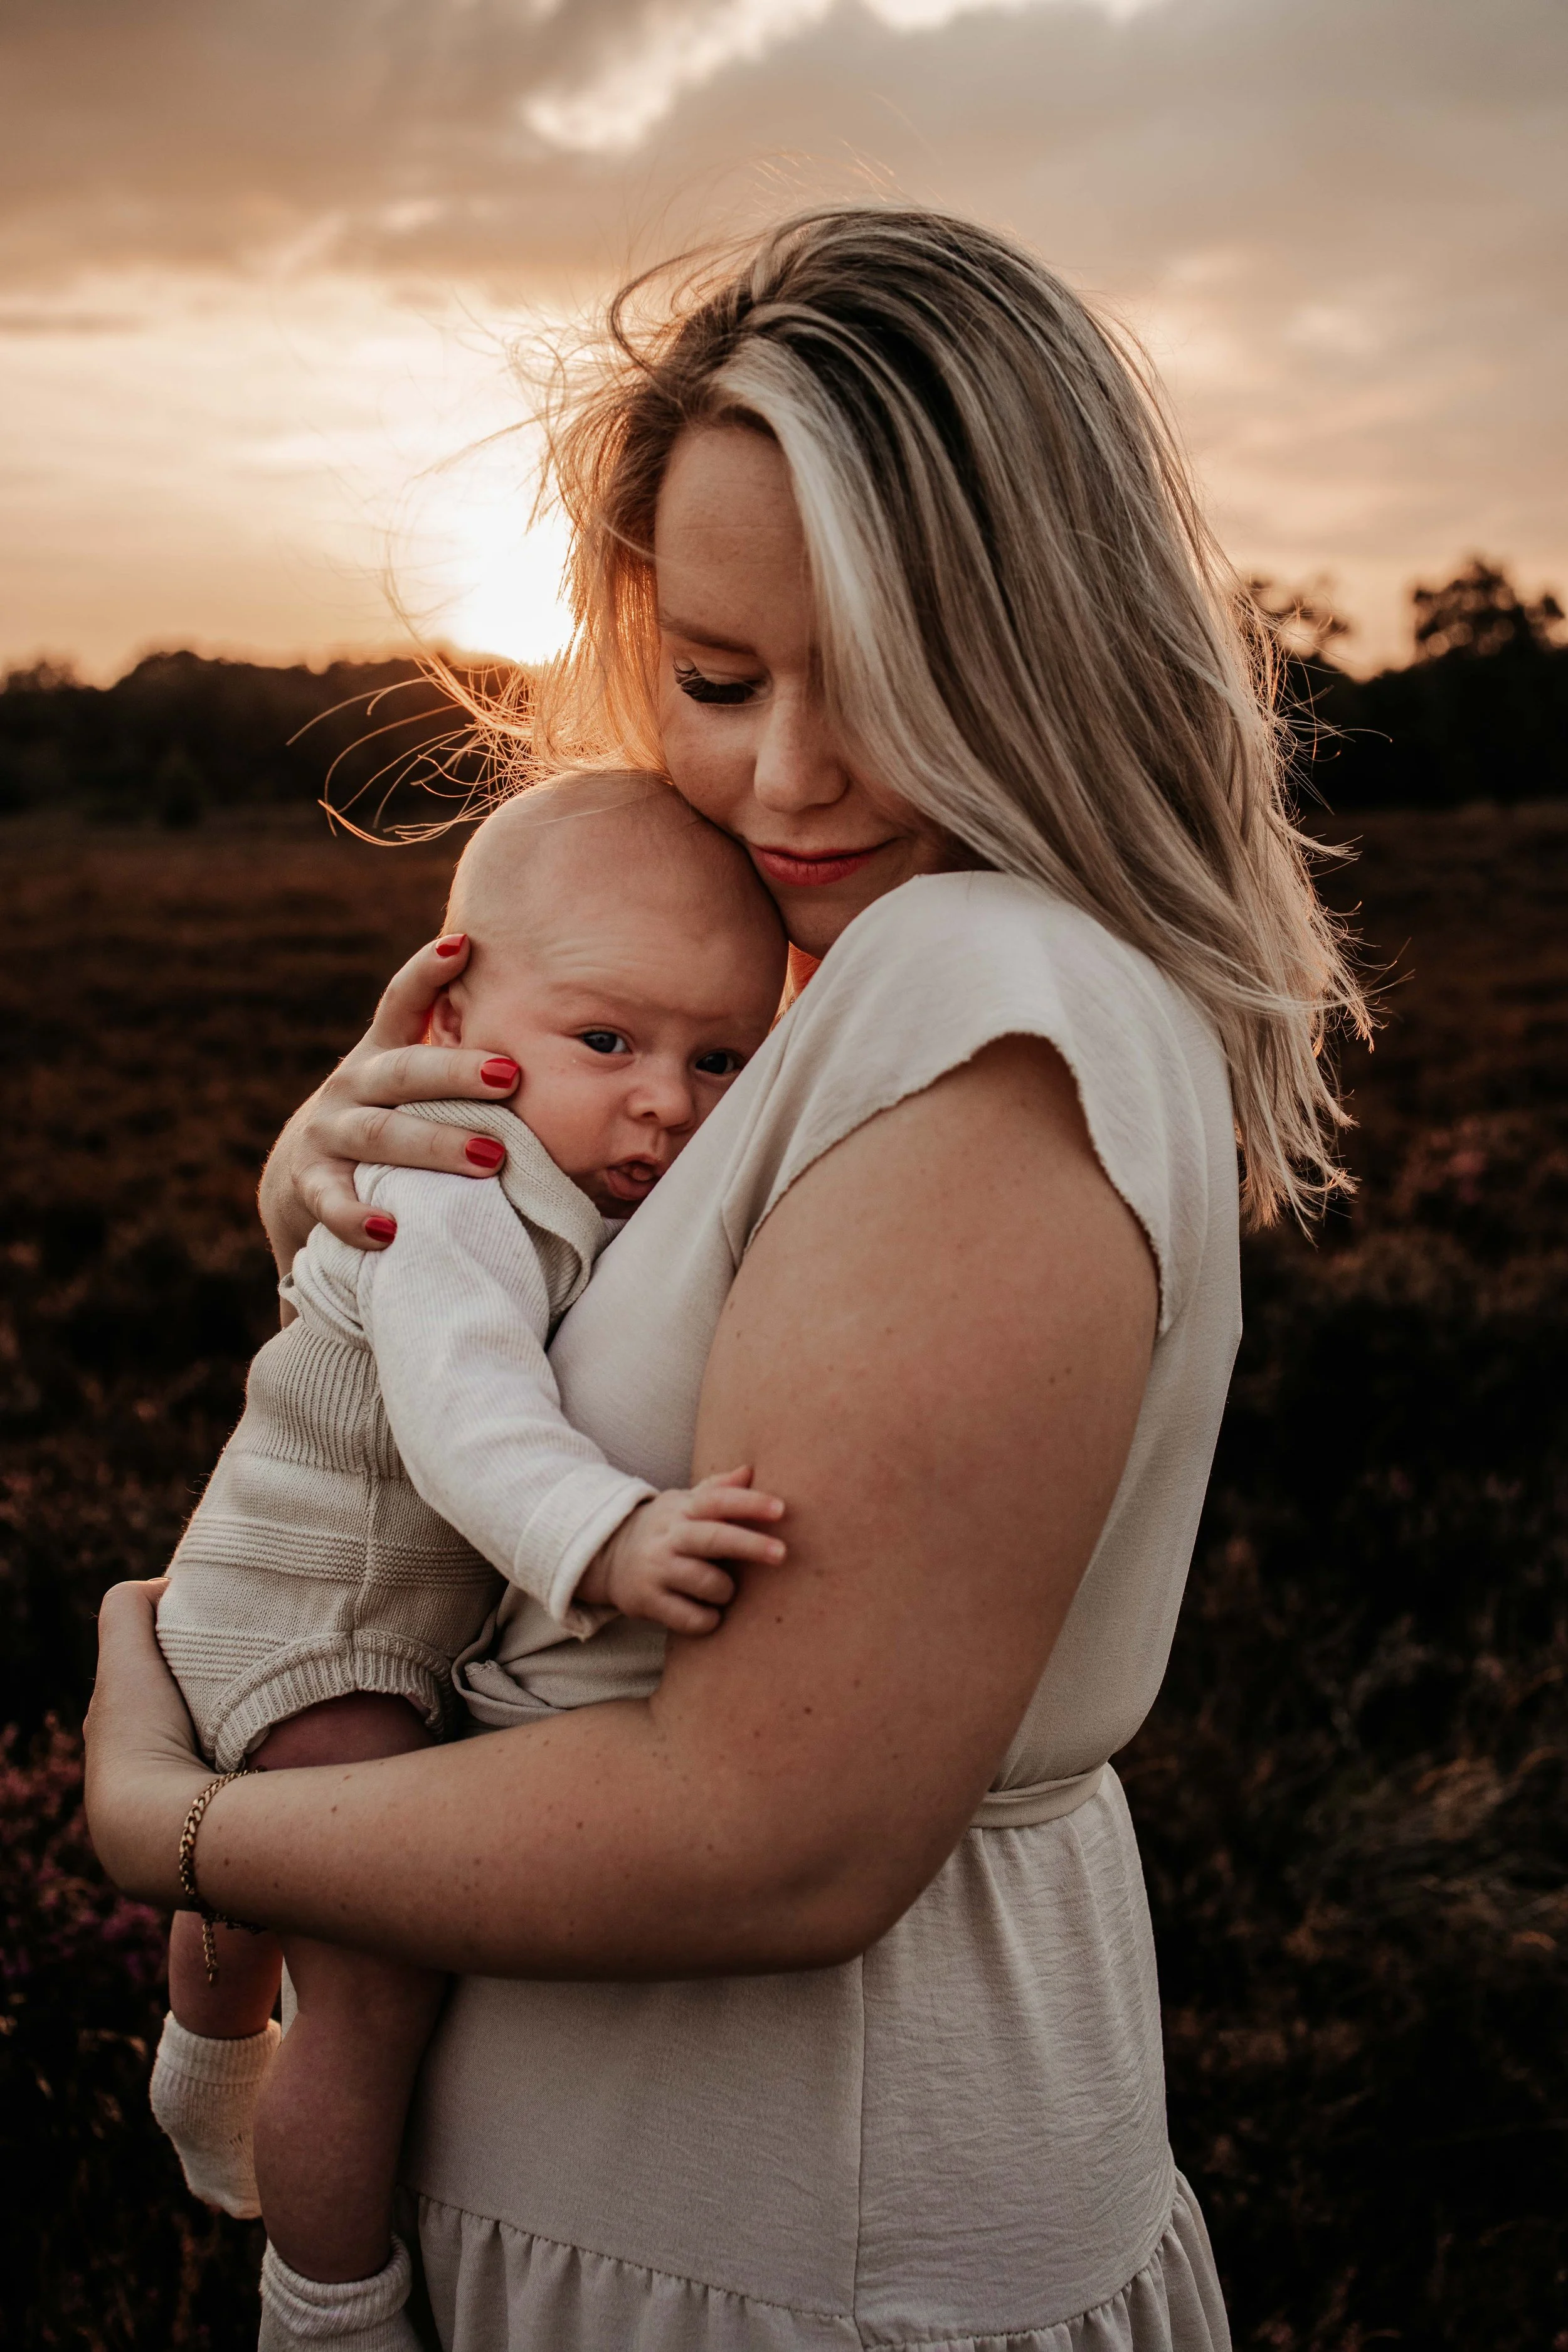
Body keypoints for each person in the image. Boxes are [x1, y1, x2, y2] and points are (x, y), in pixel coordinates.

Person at [86, 203, 1367, 2352]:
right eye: (717, 679)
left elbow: (769, 1836)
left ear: (1050, 637)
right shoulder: (816, 979)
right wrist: (347, 1224)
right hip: (699, 2206)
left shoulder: (976, 992)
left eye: (884, 679)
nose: (788, 778)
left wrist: (185, 1831)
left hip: (771, 2232)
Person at [148, 775, 789, 2341]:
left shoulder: (571, 1168)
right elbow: (463, 1411)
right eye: (608, 1043)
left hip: (337, 1601)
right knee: (369, 1989)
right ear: (452, 1005)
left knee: (266, 1844)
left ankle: (201, 2047)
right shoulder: (456, 1179)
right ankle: (327, 2304)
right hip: (319, 1611)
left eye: (720, 1058)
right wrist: (608, 1537)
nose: (669, 1104)